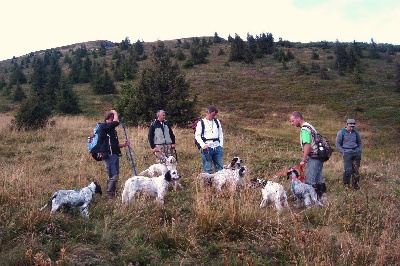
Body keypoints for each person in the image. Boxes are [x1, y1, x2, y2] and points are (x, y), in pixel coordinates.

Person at [290, 111, 327, 201]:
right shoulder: (310, 126)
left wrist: (304, 159)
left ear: (298, 118)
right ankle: (323, 198)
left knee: (310, 180)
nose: (292, 123)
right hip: (320, 156)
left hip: (314, 157)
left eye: (292, 121)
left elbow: (307, 145)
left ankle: (312, 201)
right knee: (319, 177)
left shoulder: (304, 129)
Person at [100, 110, 130, 200]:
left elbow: (114, 144)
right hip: (108, 156)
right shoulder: (103, 127)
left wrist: (124, 145)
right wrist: (115, 113)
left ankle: (114, 193)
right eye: (111, 119)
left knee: (116, 175)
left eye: (113, 119)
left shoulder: (113, 131)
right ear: (107, 120)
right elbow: (116, 122)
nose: (113, 121)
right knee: (113, 176)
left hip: (115, 155)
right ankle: (109, 196)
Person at [195, 106, 224, 173]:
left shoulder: (217, 121)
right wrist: (203, 145)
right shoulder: (201, 123)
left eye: (215, 115)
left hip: (217, 147)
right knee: (207, 168)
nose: (214, 116)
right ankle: (208, 183)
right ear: (208, 113)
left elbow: (220, 134)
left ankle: (219, 182)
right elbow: (197, 135)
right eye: (213, 115)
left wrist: (220, 145)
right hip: (207, 148)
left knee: (220, 168)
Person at [335, 118, 362, 190]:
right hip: (347, 153)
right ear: (346, 125)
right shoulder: (341, 132)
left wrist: (359, 150)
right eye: (350, 126)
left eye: (353, 126)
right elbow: (337, 143)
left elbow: (359, 142)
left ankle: (355, 186)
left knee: (356, 170)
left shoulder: (356, 132)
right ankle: (346, 186)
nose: (351, 128)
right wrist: (343, 152)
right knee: (348, 170)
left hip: (356, 153)